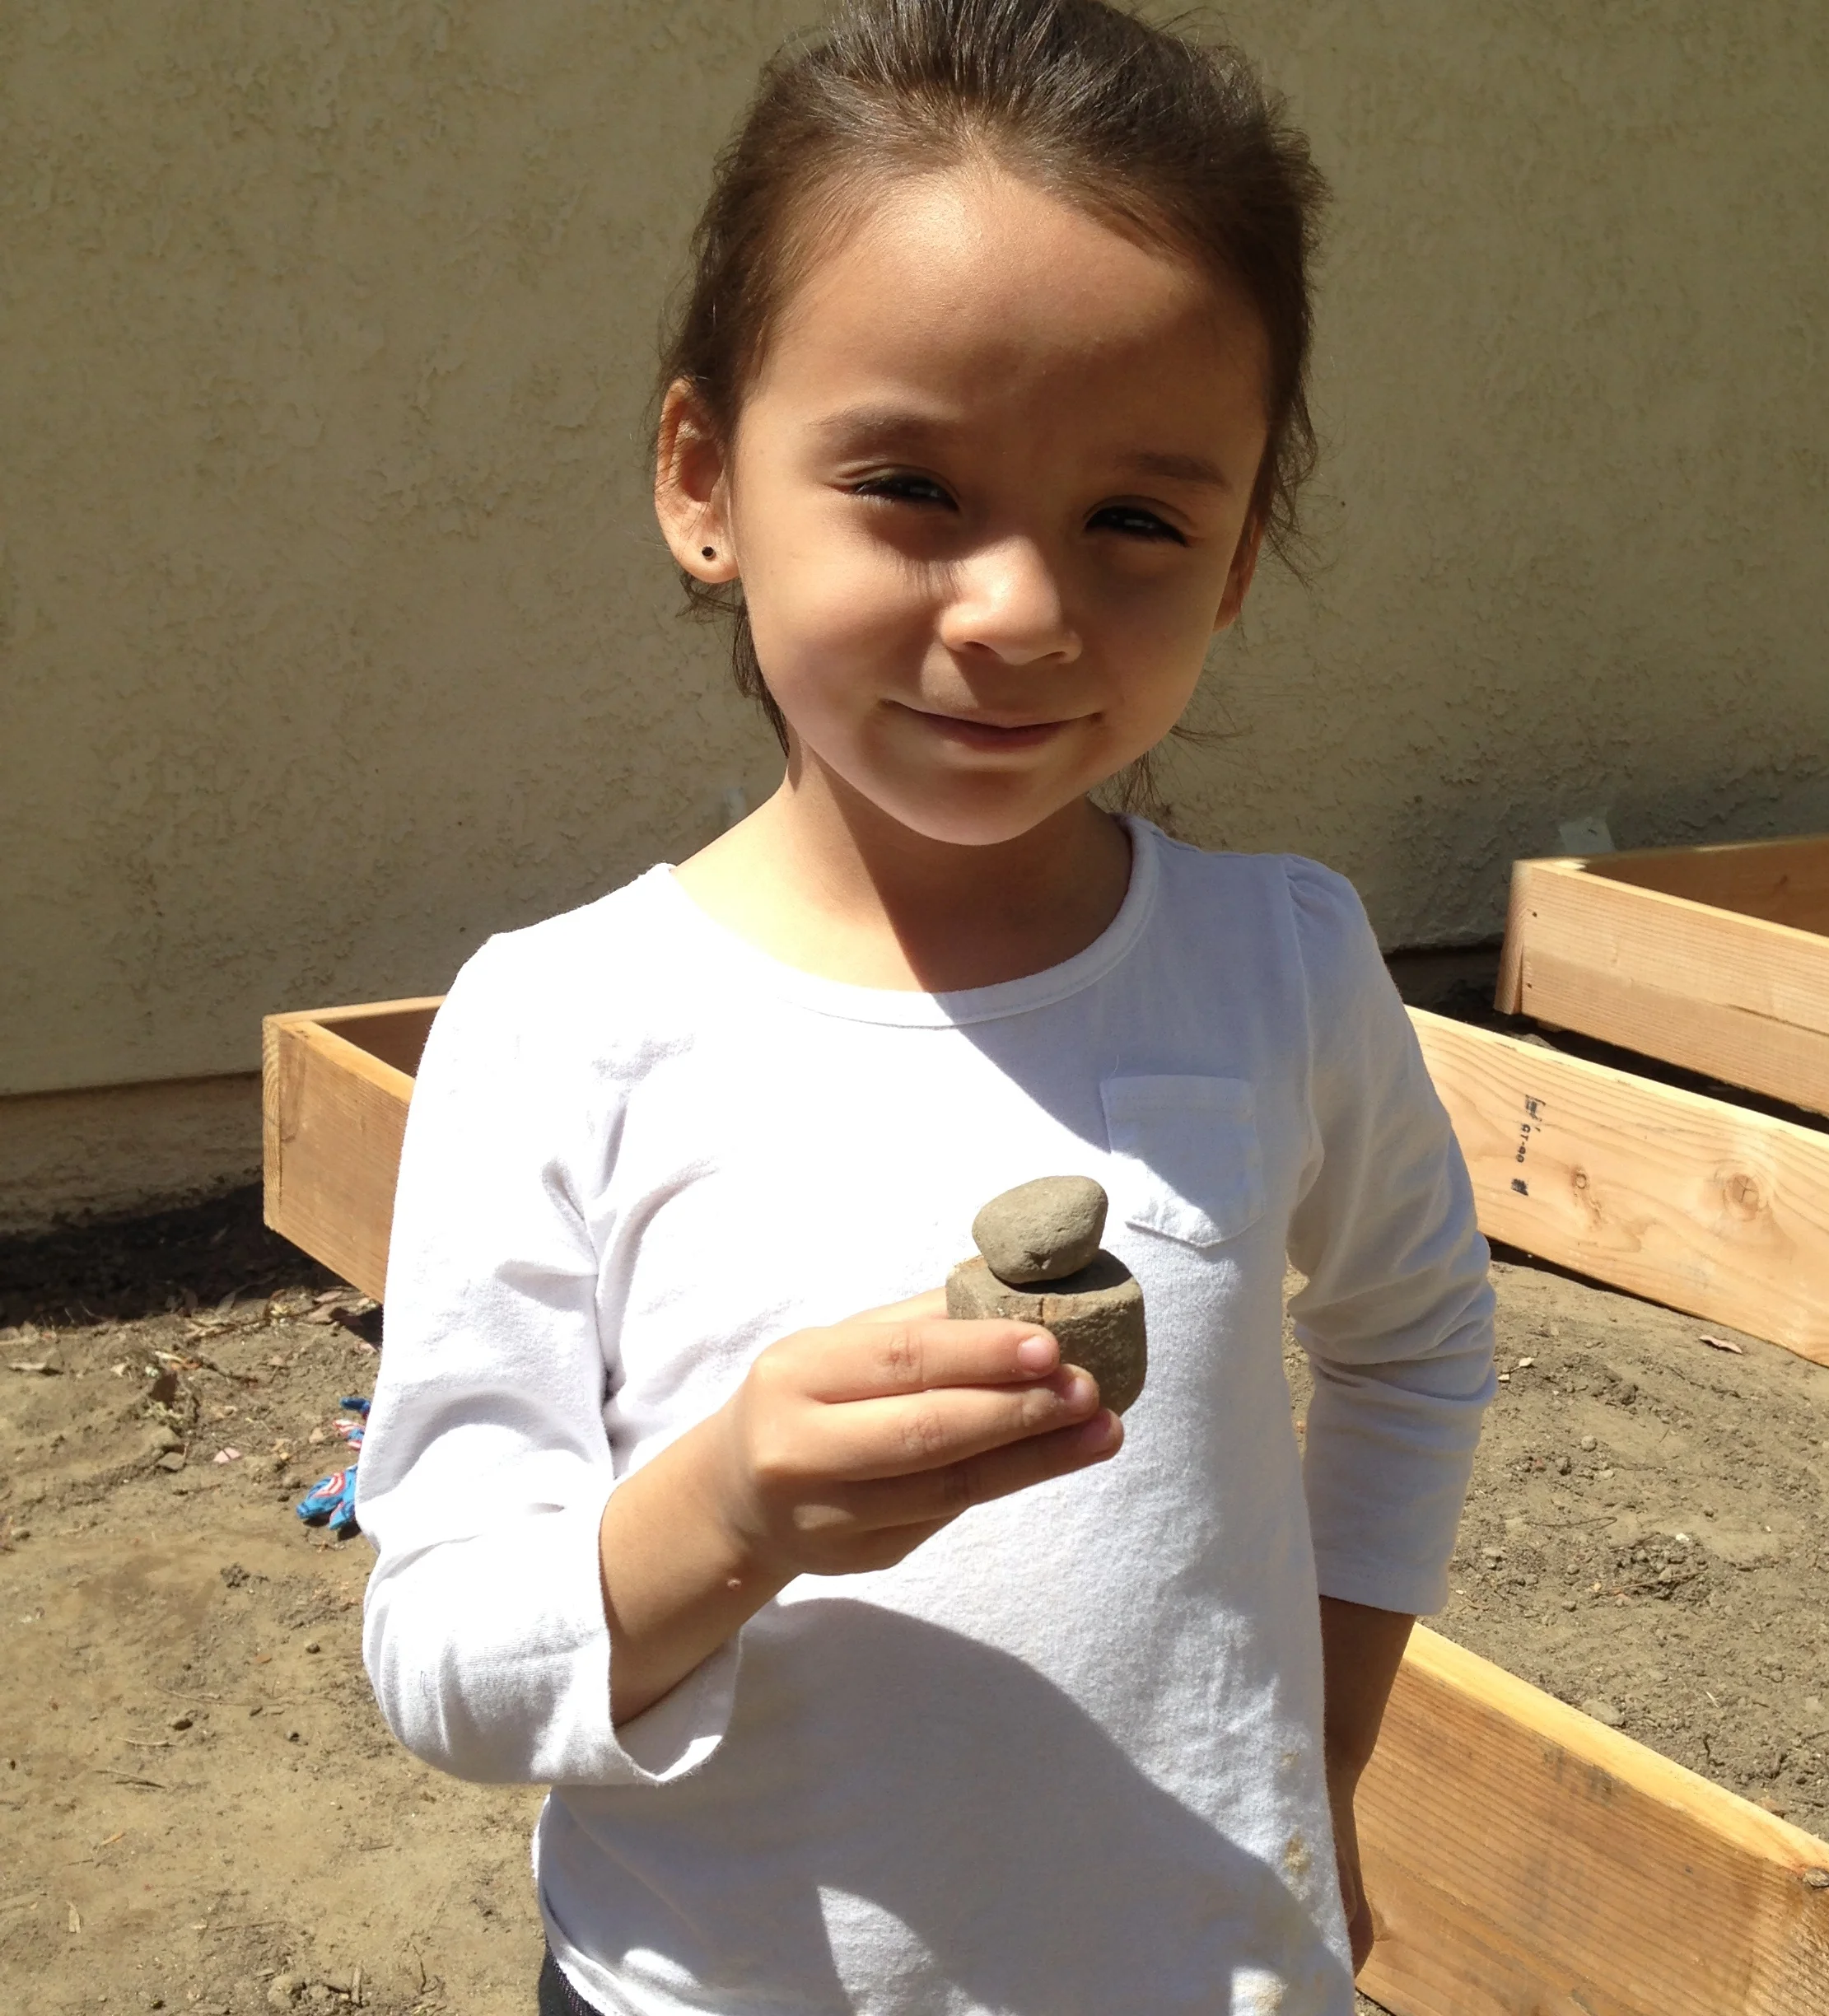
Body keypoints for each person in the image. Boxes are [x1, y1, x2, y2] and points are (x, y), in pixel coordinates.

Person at [355, 2, 1496, 2010]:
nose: (1022, 610)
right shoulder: (560, 1029)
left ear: (1240, 557)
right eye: (909, 483)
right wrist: (729, 1506)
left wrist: (1325, 1743)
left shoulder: (1281, 965)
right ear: (705, 481)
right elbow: (442, 1651)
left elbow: (1411, 1338)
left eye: (1137, 519)